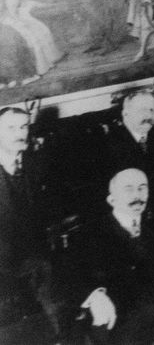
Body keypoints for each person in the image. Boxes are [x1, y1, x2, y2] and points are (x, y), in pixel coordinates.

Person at [69, 168, 154, 345]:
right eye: (128, 189)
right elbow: (71, 276)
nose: (137, 195)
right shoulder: (91, 233)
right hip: (122, 327)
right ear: (111, 199)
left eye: (142, 188)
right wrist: (95, 296)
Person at [0, 107, 62, 341]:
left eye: (24, 127)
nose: (20, 133)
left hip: (40, 263)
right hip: (4, 272)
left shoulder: (37, 164)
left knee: (54, 328)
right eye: (11, 128)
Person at [99, 91, 154, 223]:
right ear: (125, 114)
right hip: (132, 219)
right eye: (142, 110)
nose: (148, 115)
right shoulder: (109, 146)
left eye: (151, 110)